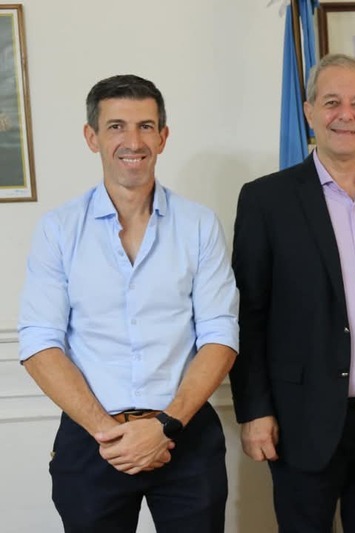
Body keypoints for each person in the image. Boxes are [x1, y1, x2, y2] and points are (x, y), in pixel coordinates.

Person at [17, 74, 239, 532]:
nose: (132, 141)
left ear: (163, 136)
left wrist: (164, 427)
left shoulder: (199, 225)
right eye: (116, 126)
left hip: (185, 438)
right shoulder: (58, 230)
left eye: (145, 126)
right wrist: (110, 432)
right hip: (93, 440)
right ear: (91, 137)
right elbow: (40, 344)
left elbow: (220, 335)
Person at [229, 53, 355, 533]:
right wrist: (255, 411)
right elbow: (248, 314)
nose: (346, 114)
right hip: (301, 420)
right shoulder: (266, 199)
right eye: (332, 101)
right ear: (310, 111)